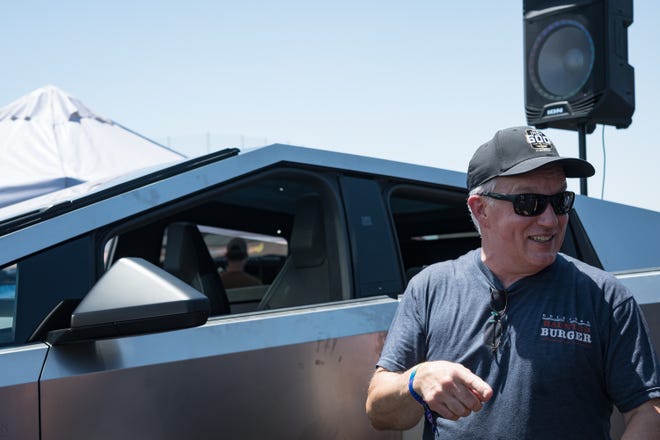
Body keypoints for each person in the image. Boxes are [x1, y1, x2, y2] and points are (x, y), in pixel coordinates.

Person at [366, 126, 660, 438]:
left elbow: (648, 411)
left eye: (560, 201)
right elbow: (379, 411)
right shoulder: (430, 287)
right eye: (528, 203)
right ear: (481, 210)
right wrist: (416, 381)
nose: (549, 219)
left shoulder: (605, 297)